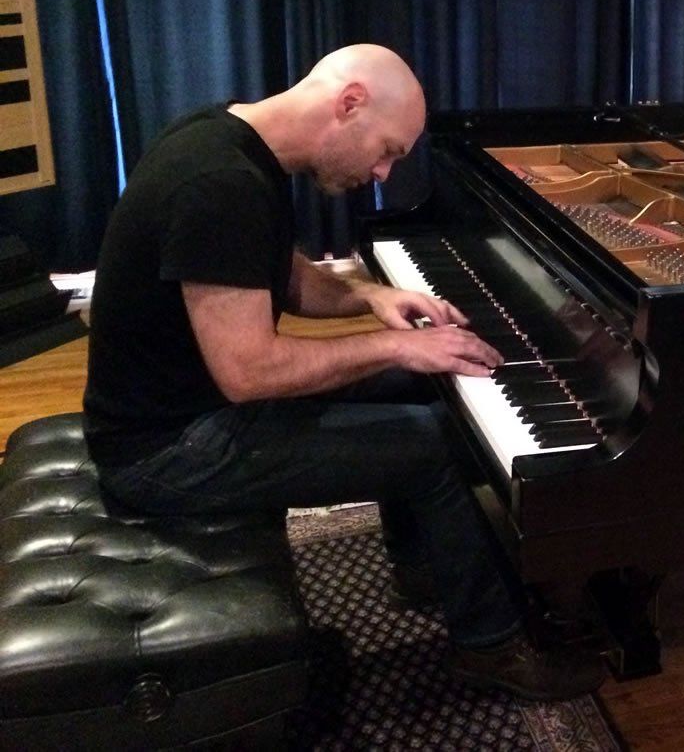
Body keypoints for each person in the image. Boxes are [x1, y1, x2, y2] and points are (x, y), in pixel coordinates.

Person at [82, 43, 604, 701]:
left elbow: (282, 273)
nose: (383, 170)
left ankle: (427, 566)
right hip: (162, 449)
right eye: (386, 148)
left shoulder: (230, 138)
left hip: (191, 407)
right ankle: (491, 647)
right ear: (349, 103)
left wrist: (371, 297)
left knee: (432, 386)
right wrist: (394, 346)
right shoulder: (218, 184)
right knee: (433, 441)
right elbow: (250, 371)